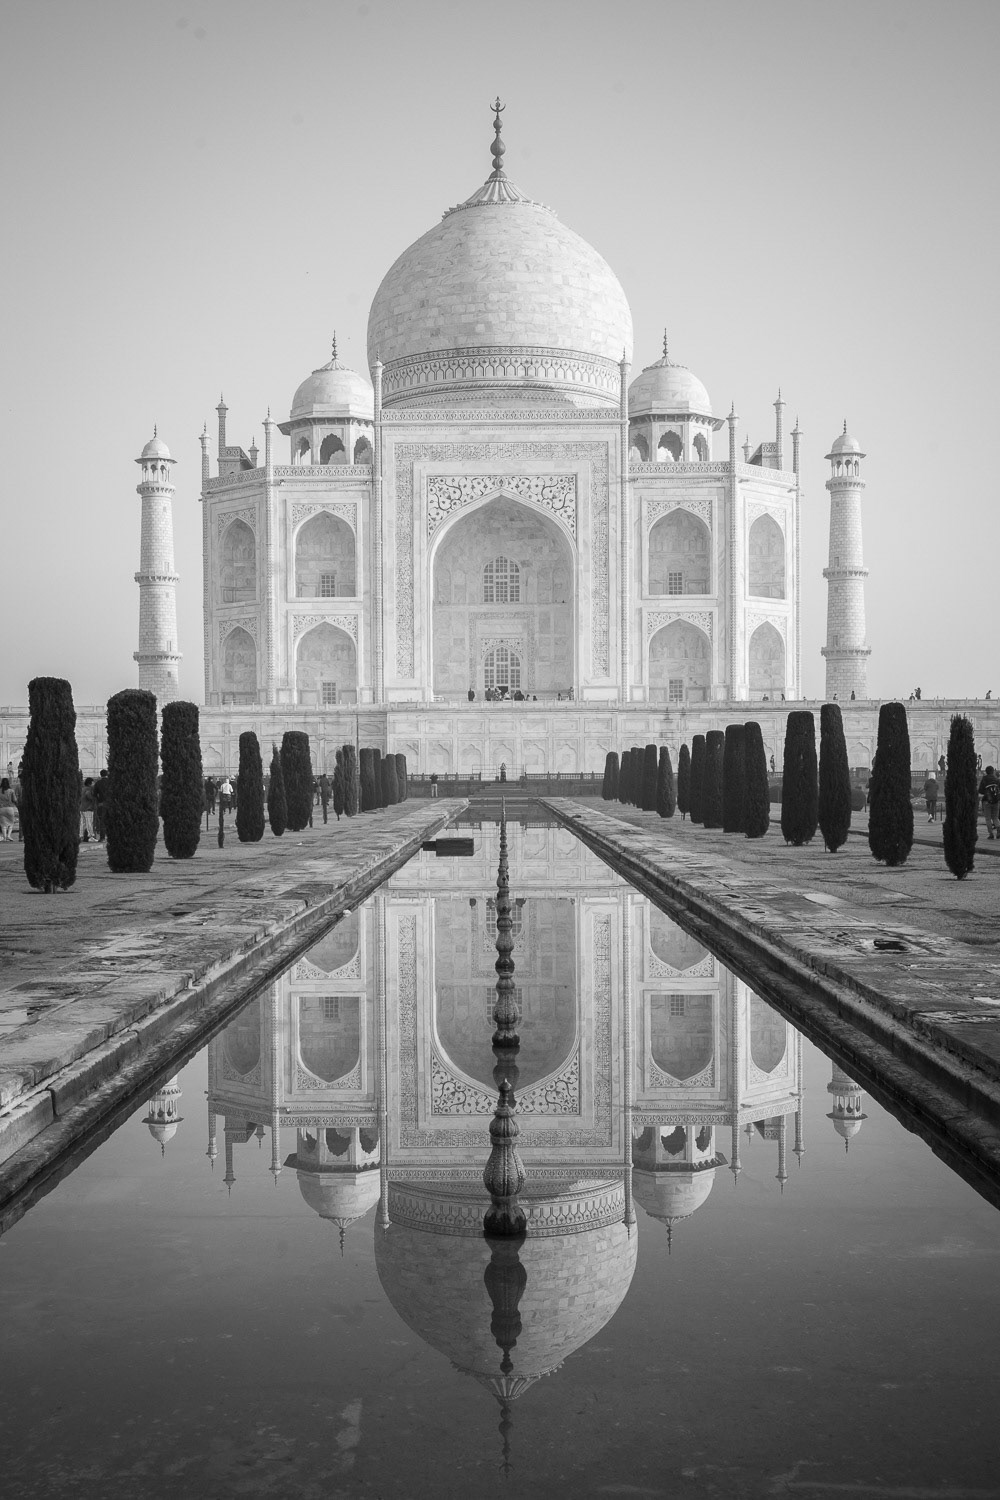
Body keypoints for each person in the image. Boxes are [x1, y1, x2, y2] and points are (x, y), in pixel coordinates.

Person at [979, 765, 1000, 839]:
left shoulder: (984, 779)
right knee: (995, 817)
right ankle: (998, 828)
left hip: (987, 801)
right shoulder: (997, 779)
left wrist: (986, 793)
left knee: (988, 818)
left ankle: (991, 834)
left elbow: (980, 790)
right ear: (993, 771)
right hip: (996, 801)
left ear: (986, 772)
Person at [92, 768, 109, 841]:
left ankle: (102, 838)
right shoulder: (111, 782)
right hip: (111, 803)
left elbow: (94, 794)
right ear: (107, 774)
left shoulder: (98, 783)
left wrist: (98, 801)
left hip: (101, 804)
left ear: (100, 775)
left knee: (102, 821)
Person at [80, 777, 96, 842]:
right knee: (89, 822)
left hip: (82, 808)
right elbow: (89, 796)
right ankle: (91, 836)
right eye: (93, 782)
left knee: (82, 823)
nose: (94, 783)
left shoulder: (82, 789)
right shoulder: (89, 789)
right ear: (90, 783)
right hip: (88, 808)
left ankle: (80, 836)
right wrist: (94, 798)